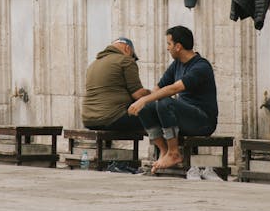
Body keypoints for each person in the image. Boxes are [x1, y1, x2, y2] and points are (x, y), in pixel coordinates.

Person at [128, 26, 217, 172]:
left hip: (203, 121)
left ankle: (174, 153)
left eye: (169, 44)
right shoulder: (176, 65)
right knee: (146, 107)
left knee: (164, 103)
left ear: (178, 46)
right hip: (184, 117)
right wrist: (142, 102)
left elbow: (174, 88)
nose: (167, 48)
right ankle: (165, 151)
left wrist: (144, 99)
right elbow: (159, 88)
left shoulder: (201, 66)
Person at [82, 37, 150, 131]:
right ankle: (167, 146)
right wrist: (153, 94)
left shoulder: (93, 64)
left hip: (88, 120)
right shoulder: (126, 60)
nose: (132, 59)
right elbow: (138, 94)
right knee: (154, 116)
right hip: (112, 119)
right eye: (132, 56)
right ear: (127, 48)